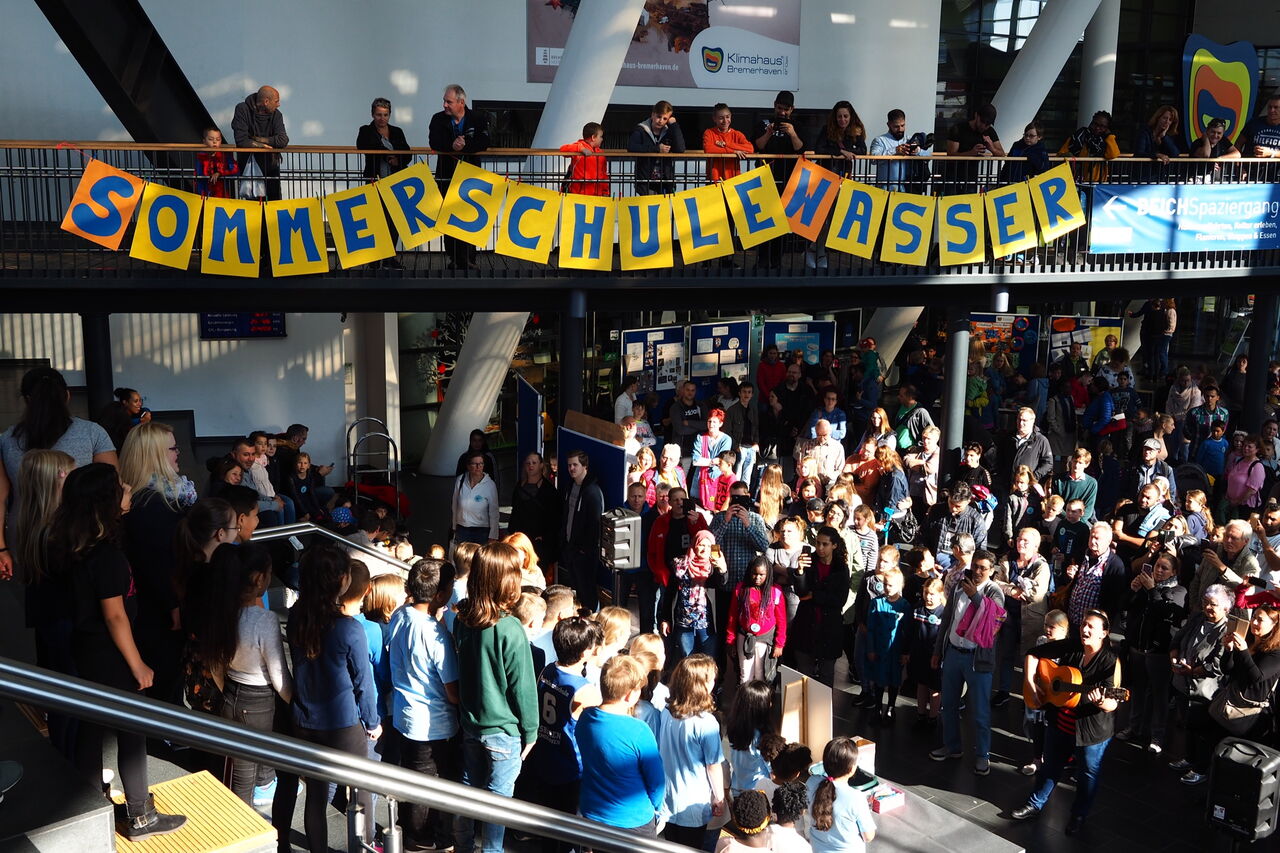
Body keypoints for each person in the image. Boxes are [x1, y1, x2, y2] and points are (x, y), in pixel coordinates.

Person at [52, 463, 187, 839]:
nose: (128, 488)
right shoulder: (107, 557)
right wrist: (138, 664)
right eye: (120, 487)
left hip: (87, 649)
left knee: (91, 728)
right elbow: (114, 616)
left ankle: (90, 808)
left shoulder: (77, 546)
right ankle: (141, 815)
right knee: (132, 730)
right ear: (105, 502)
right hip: (109, 655)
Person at [288, 544, 380, 850]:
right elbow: (363, 683)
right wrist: (372, 721)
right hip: (342, 724)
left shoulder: (296, 615)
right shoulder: (349, 628)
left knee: (316, 795)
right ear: (339, 580)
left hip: (304, 719)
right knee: (361, 789)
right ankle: (363, 846)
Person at [454, 543, 538, 853]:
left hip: (471, 723)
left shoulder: (461, 617)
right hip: (503, 731)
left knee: (468, 790)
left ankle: (462, 846)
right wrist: (531, 731)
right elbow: (523, 688)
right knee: (498, 801)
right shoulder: (510, 628)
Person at [1011, 609, 1122, 835]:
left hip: (1091, 732)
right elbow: (1033, 653)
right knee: (1050, 766)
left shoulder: (1110, 661)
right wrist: (1031, 683)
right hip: (1060, 721)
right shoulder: (1072, 646)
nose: (1085, 629)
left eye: (1091, 626)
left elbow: (1113, 703)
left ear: (1104, 633)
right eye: (1083, 624)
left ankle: (1078, 815)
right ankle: (1034, 805)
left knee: (1087, 775)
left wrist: (1101, 700)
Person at [204, 543, 292, 804]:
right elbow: (279, 677)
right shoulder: (264, 620)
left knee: (241, 768)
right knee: (243, 782)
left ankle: (263, 788)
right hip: (258, 704)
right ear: (258, 579)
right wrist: (296, 704)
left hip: (230, 694)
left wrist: (228, 692)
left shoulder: (222, 613)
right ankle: (240, 824)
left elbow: (215, 666)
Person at [119, 422, 196, 704]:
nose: (178, 453)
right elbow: (156, 562)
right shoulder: (152, 504)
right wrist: (173, 605)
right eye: (173, 448)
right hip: (159, 613)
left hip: (156, 607)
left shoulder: (145, 498)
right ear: (154, 455)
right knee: (165, 682)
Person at [1, 367, 117, 552]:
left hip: (25, 538)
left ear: (27, 399)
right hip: (81, 537)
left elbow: (1, 497)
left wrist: (1, 548)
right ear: (67, 396)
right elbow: (110, 486)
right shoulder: (92, 433)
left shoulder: (7, 439)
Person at [1181, 604, 1280, 785]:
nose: (1254, 623)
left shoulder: (1275, 653)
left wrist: (1243, 651)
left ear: (1274, 625)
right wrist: (1229, 650)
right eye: (1254, 617)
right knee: (1206, 730)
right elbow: (1228, 669)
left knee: (1229, 744)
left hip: (1250, 711)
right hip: (1231, 700)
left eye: (1260, 620)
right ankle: (1198, 767)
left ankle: (1208, 774)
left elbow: (1256, 677)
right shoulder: (1250, 641)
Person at [930, 550, 1005, 775]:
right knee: (949, 704)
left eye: (983, 568)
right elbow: (947, 619)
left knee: (980, 711)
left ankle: (982, 755)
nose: (978, 571)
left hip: (977, 659)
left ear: (991, 571)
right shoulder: (959, 586)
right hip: (953, 653)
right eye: (976, 567)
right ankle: (952, 746)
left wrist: (975, 596)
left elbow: (994, 618)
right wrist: (938, 650)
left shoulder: (994, 591)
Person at [575, 655, 664, 835]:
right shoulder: (640, 731)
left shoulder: (585, 717)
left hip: (593, 812)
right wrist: (657, 809)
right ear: (630, 695)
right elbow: (656, 783)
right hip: (633, 821)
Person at [1118, 551, 1185, 754]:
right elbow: (1125, 606)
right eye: (1157, 566)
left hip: (1159, 652)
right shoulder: (1146, 586)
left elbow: (1167, 613)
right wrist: (1133, 590)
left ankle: (1157, 736)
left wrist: (1152, 590)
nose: (1159, 570)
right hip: (1138, 647)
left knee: (1159, 695)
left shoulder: (1179, 591)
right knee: (1138, 691)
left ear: (1174, 572)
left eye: (1165, 568)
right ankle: (1134, 727)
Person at [658, 654, 726, 848]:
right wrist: (719, 797)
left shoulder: (666, 711)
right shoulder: (706, 723)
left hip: (667, 799)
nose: (713, 683)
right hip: (693, 804)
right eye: (711, 680)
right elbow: (713, 765)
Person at [429, 84, 490, 270]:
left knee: (470, 216)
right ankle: (455, 258)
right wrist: (452, 146)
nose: (445, 105)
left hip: (471, 177)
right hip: (446, 176)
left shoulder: (478, 118)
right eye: (444, 101)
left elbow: (485, 141)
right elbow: (434, 141)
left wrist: (465, 146)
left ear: (461, 102)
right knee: (449, 217)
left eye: (449, 102)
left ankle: (469, 258)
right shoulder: (438, 119)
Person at [807, 100, 867, 268]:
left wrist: (849, 152)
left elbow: (862, 150)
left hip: (844, 179)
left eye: (845, 116)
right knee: (822, 218)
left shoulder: (856, 131)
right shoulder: (827, 130)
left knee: (836, 218)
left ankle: (813, 249)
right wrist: (841, 151)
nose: (842, 120)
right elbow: (820, 149)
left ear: (851, 116)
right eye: (839, 116)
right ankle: (820, 253)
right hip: (825, 178)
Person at [791, 526, 851, 686]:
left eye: (825, 544)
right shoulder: (809, 562)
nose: (820, 548)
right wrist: (800, 571)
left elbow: (839, 600)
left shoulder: (841, 568)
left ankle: (823, 703)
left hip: (829, 628)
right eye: (818, 543)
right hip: (806, 624)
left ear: (834, 545)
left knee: (826, 675)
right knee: (803, 674)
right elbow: (801, 593)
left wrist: (815, 595)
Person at [754, 91, 804, 269]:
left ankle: (776, 262)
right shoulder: (763, 123)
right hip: (765, 178)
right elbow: (758, 146)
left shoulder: (797, 125)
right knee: (764, 221)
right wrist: (768, 133)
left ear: (792, 109)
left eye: (786, 109)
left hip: (788, 179)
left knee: (782, 223)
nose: (782, 112)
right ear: (774, 105)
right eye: (779, 108)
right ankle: (761, 260)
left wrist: (792, 133)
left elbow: (801, 149)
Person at [661, 530, 728, 661]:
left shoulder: (713, 567)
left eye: (709, 546)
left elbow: (722, 583)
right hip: (684, 624)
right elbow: (669, 594)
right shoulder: (680, 566)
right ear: (694, 545)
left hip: (707, 626)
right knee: (687, 662)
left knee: (708, 662)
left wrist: (723, 569)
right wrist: (665, 619)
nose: (705, 549)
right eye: (701, 545)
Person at [806, 737, 875, 853]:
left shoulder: (811, 782)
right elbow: (868, 836)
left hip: (816, 848)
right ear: (852, 768)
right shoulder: (856, 797)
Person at [562, 450, 605, 611]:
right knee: (577, 591)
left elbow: (595, 524)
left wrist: (584, 549)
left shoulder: (592, 491)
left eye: (575, 465)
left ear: (585, 466)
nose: (571, 468)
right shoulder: (571, 486)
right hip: (571, 548)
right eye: (569, 465)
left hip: (584, 553)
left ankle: (590, 619)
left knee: (587, 593)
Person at [231, 85, 288, 202]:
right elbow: (241, 140)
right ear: (266, 101)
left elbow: (283, 140)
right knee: (252, 202)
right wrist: (264, 146)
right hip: (249, 166)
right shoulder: (243, 109)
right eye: (276, 101)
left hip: (271, 165)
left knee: (274, 201)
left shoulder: (276, 115)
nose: (278, 104)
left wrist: (259, 140)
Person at [629, 100, 686, 196]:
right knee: (648, 205)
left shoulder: (669, 131)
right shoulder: (641, 130)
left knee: (666, 205)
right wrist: (657, 149)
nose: (661, 121)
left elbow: (680, 149)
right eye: (659, 117)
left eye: (665, 118)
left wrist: (674, 125)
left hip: (665, 181)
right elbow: (632, 147)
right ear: (652, 115)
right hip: (645, 181)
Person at [870, 109, 931, 192]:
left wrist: (918, 151)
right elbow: (873, 159)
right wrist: (894, 151)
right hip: (886, 190)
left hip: (907, 189)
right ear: (888, 125)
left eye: (903, 125)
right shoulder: (879, 140)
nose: (900, 129)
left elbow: (929, 156)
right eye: (896, 126)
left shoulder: (910, 139)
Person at [452, 450, 499, 546]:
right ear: (468, 466)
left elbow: (494, 512)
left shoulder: (490, 485)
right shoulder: (460, 480)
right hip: (462, 529)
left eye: (481, 463)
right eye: (475, 464)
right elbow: (454, 504)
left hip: (482, 531)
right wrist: (454, 526)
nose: (478, 467)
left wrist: (493, 535)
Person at [703, 103, 754, 183]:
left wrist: (726, 144)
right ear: (714, 119)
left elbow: (750, 149)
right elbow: (708, 149)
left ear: (731, 117)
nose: (725, 121)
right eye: (721, 118)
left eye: (727, 117)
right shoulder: (709, 132)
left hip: (734, 179)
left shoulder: (737, 134)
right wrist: (733, 151)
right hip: (714, 179)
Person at [560, 121, 609, 196]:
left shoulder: (601, 153)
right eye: (600, 136)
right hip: (579, 194)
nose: (602, 139)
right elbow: (563, 149)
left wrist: (605, 191)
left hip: (597, 194)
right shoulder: (579, 146)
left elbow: (604, 174)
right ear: (593, 137)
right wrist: (581, 149)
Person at [195, 127, 239, 198]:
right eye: (211, 139)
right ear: (204, 141)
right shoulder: (201, 157)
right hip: (205, 194)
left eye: (218, 139)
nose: (214, 142)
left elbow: (235, 170)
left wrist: (220, 173)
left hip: (222, 195)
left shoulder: (225, 156)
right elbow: (199, 175)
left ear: (221, 141)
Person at [1237, 93, 1280, 159]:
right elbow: (1238, 144)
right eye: (1270, 107)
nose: (1272, 110)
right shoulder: (1254, 123)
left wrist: (1272, 153)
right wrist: (1238, 162)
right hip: (1250, 164)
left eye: (1276, 107)